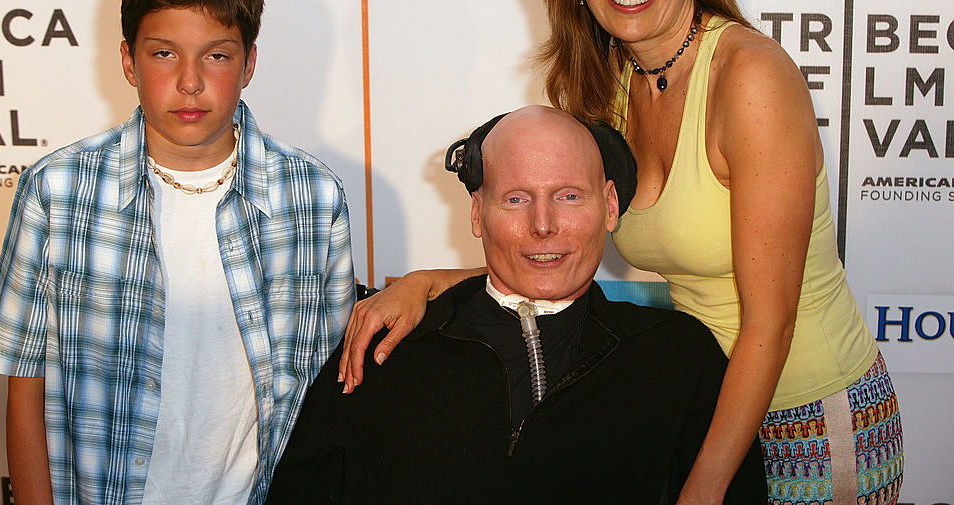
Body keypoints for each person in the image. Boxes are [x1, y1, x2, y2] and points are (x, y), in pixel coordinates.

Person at [338, 0, 903, 505]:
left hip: (807, 415)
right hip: (703, 405)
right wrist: (428, 284)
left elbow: (768, 323)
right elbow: (563, 250)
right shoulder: (609, 87)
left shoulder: (749, 79)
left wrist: (704, 488)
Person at [0, 0, 355, 505]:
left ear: (250, 63)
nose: (191, 81)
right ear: (128, 60)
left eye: (217, 54)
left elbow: (330, 395)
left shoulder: (311, 197)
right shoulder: (57, 192)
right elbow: (24, 388)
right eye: (164, 53)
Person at [269, 106, 767, 504]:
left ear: (610, 207)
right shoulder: (386, 352)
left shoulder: (678, 359)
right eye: (515, 199)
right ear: (477, 213)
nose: (544, 225)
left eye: (569, 197)